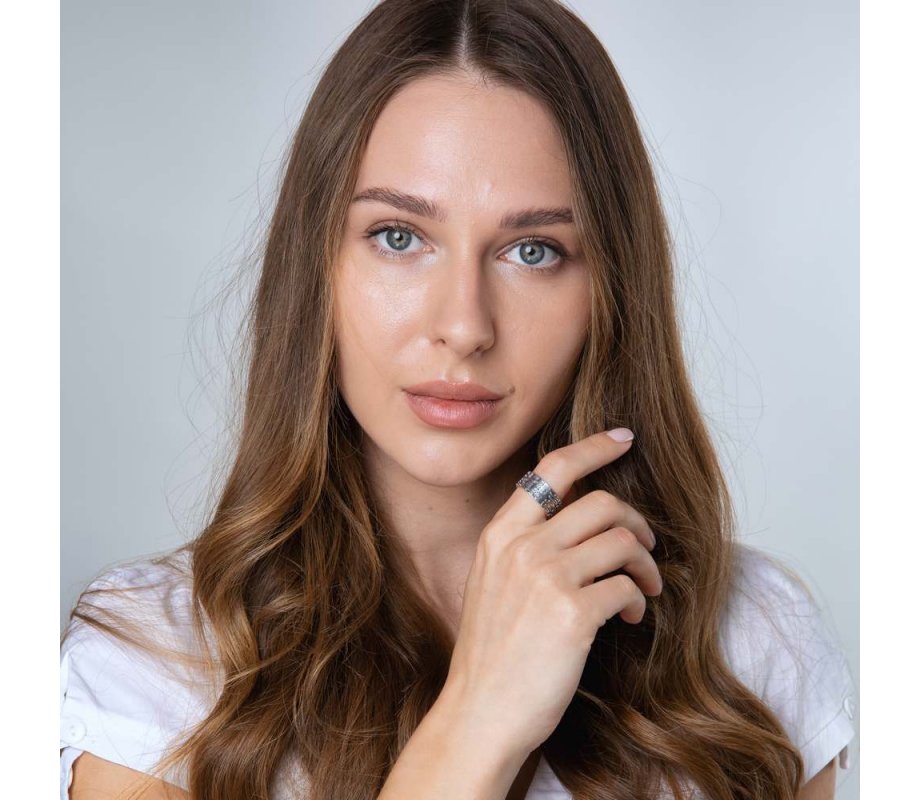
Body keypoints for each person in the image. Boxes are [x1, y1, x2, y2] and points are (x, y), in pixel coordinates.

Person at [59, 1, 857, 798]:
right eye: (399, 237)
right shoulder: (156, 662)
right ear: (317, 268)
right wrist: (478, 717)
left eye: (533, 251)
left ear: (609, 288)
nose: (464, 326)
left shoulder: (750, 640)